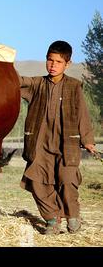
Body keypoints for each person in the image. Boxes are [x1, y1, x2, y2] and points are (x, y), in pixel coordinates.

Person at [19, 40, 97, 235]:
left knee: (68, 180)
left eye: (58, 62)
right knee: (37, 180)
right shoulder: (37, 84)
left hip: (67, 143)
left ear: (67, 64)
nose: (53, 65)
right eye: (49, 60)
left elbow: (83, 114)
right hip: (40, 143)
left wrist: (87, 139)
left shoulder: (74, 86)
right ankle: (52, 219)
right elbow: (17, 81)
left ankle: (73, 217)